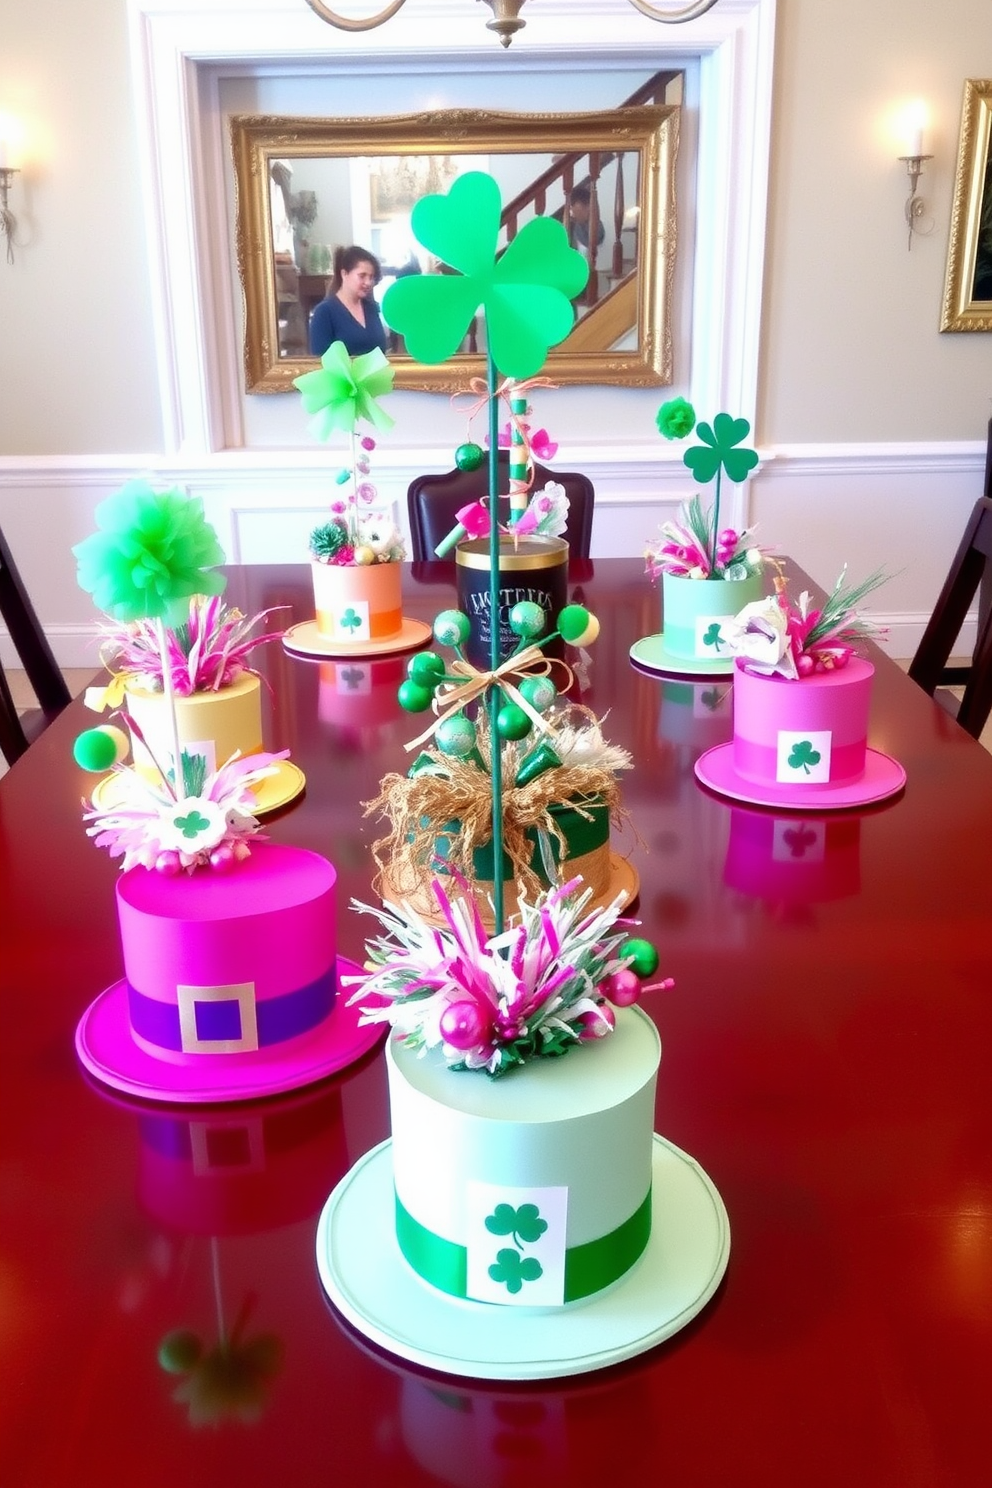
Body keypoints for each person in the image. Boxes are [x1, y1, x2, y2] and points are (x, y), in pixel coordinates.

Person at [309, 246, 388, 358]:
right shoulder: (324, 312)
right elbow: (319, 359)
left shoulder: (371, 308)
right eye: (362, 276)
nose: (368, 282)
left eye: (371, 277)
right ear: (344, 274)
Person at [568, 183, 605, 251]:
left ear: (588, 206)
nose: (574, 214)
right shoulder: (576, 228)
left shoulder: (597, 225)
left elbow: (592, 242)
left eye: (575, 209)